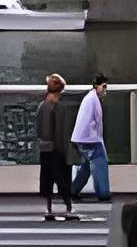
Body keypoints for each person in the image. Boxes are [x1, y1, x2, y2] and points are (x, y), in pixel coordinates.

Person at [35, 73, 78, 222]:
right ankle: (68, 209)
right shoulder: (60, 108)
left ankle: (49, 208)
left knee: (47, 179)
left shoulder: (42, 106)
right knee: (64, 180)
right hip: (59, 150)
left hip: (45, 148)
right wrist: (68, 151)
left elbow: (38, 129)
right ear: (61, 90)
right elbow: (63, 131)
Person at [71, 74, 111, 202]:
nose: (105, 89)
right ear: (96, 86)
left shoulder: (89, 98)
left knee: (86, 166)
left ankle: (73, 190)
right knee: (100, 163)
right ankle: (103, 192)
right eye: (103, 86)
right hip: (90, 139)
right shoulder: (93, 100)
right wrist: (100, 142)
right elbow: (97, 124)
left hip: (81, 138)